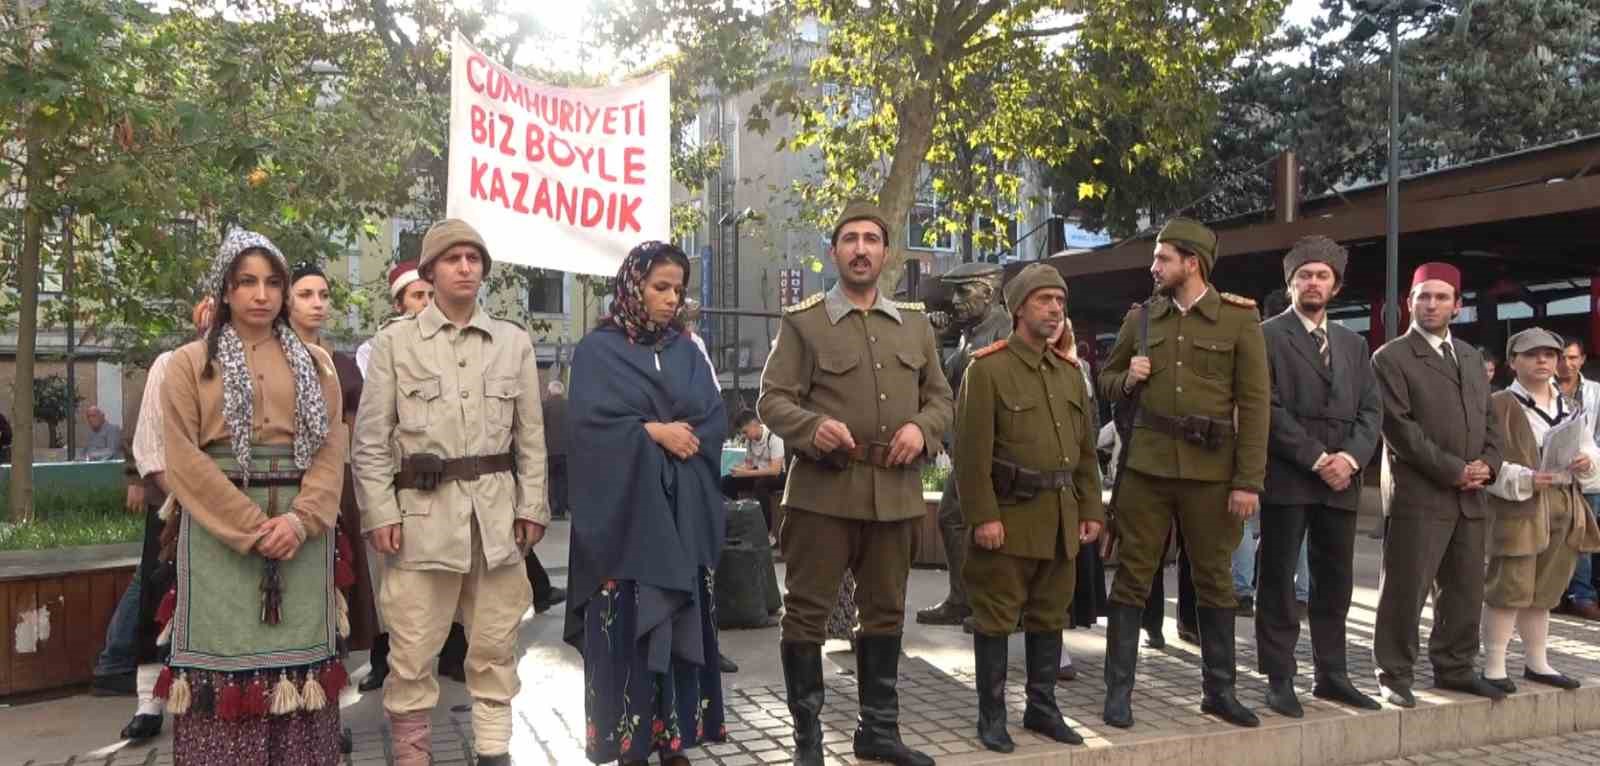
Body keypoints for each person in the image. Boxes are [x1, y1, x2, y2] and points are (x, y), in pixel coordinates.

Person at [759, 200, 954, 766]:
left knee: (887, 611)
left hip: (894, 494)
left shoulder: (914, 324)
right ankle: (808, 741)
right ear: (834, 251)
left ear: (886, 252)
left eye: (872, 238)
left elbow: (940, 396)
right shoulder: (804, 322)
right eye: (850, 239)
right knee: (806, 615)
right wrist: (812, 428)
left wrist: (922, 427)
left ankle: (879, 732)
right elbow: (772, 398)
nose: (861, 248)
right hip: (823, 494)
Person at [353, 219, 548, 766]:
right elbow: (369, 443)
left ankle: (493, 755)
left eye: (474, 258)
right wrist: (378, 513)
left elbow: (531, 437)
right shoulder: (395, 343)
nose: (466, 267)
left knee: (494, 649)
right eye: (453, 258)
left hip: (496, 521)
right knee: (412, 654)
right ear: (430, 271)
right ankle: (414, 757)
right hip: (420, 524)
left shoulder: (513, 343)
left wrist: (533, 505)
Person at [156, 230, 348, 763]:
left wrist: (300, 521)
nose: (261, 294)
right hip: (218, 530)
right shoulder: (188, 363)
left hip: (301, 533)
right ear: (224, 289)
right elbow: (183, 458)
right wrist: (251, 525)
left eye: (272, 282)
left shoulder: (317, 364)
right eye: (247, 282)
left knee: (303, 668)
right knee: (221, 665)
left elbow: (333, 446)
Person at [1097, 217, 1268, 730]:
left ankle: (1220, 691)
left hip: (1212, 475)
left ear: (1192, 263)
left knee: (1216, 581)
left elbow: (1256, 406)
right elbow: (1104, 381)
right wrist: (1128, 378)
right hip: (1147, 470)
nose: (1154, 267)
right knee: (1131, 579)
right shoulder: (1142, 320)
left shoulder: (1239, 319)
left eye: (1162, 258)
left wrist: (1247, 481)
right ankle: (1117, 694)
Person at [564, 241, 729, 766]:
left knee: (679, 622)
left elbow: (713, 419)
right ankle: (630, 744)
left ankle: (672, 742)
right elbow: (588, 431)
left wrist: (681, 439)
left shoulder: (687, 350)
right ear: (634, 286)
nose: (671, 299)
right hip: (625, 529)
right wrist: (651, 433)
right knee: (627, 633)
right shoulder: (597, 351)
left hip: (680, 523)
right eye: (661, 287)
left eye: (678, 289)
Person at [955, 264, 1103, 752]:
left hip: (1059, 518)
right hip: (1009, 517)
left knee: (1049, 616)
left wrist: (1091, 510)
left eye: (1060, 302)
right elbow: (970, 455)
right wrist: (983, 516)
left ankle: (1042, 708)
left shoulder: (1069, 374)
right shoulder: (988, 368)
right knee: (995, 618)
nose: (1055, 309)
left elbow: (1084, 453)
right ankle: (990, 716)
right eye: (1044, 301)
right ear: (1019, 309)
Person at [1253, 236, 1384, 717]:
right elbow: (1263, 407)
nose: (1313, 283)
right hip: (1289, 475)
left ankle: (1332, 674)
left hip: (1341, 481)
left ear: (1335, 286)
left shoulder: (1354, 344)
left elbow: (1371, 411)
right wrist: (1316, 458)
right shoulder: (1265, 336)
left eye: (1321, 276)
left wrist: (1348, 460)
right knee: (1278, 579)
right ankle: (1279, 676)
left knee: (1336, 581)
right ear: (1290, 284)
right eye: (1304, 275)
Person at [1371, 262, 1507, 707]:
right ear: (1408, 303)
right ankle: (1393, 673)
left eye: (1441, 297)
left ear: (1457, 305)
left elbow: (1490, 422)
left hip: (1471, 496)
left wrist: (1488, 464)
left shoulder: (1470, 357)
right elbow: (1401, 430)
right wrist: (1455, 469)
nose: (1431, 305)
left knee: (1464, 589)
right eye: (1423, 297)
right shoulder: (1390, 357)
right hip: (1420, 493)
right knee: (1405, 589)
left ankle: (1454, 668)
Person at [90, 298, 213, 741]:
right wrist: (173, 492)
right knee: (156, 595)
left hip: (227, 510)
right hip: (172, 504)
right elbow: (147, 439)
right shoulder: (169, 363)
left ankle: (206, 696)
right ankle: (148, 703)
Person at [349, 258, 468, 693]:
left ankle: (453, 652)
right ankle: (386, 661)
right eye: (417, 295)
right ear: (400, 302)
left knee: (452, 574)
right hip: (400, 485)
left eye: (428, 294)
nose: (425, 302)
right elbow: (381, 422)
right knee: (393, 584)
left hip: (447, 486)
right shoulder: (379, 347)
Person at [1481, 328, 1600, 693]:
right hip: (1519, 506)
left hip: (1564, 502)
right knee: (1510, 584)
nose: (1544, 361)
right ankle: (1495, 665)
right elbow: (1487, 461)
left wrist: (1587, 460)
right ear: (1513, 361)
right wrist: (1526, 478)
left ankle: (1537, 662)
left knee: (1547, 586)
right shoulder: (1499, 403)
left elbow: (1590, 449)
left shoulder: (1569, 404)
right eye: (1533, 355)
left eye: (1550, 354)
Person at [285, 263, 380, 656]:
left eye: (323, 295)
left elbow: (355, 433)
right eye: (306, 295)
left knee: (335, 582)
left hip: (337, 484)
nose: (317, 304)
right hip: (286, 482)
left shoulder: (342, 365)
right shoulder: (272, 358)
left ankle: (330, 666)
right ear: (286, 301)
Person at [918, 261, 1011, 627]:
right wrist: (937, 338)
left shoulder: (1005, 328)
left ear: (988, 292)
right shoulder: (970, 331)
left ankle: (988, 603)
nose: (954, 300)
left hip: (997, 447)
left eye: (963, 291)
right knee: (953, 518)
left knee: (968, 520)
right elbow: (947, 379)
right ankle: (965, 598)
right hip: (972, 445)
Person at [1557, 338, 1600, 620]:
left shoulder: (1595, 391)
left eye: (1573, 358)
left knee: (1584, 535)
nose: (1566, 364)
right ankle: (1557, 593)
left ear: (1582, 359)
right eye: (1562, 358)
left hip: (1589, 473)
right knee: (1555, 534)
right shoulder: (1544, 389)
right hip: (1555, 474)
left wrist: (1592, 456)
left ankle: (1582, 595)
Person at [354, 260, 433, 377]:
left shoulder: (447, 341)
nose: (427, 303)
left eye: (432, 295)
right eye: (418, 296)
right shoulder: (373, 350)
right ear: (398, 305)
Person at [721, 410, 786, 533]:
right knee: (727, 481)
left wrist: (747, 473)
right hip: (759, 473)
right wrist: (740, 469)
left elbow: (775, 470)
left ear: (754, 424)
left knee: (760, 485)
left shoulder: (774, 436)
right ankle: (735, 521)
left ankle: (767, 531)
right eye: (742, 433)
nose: (744, 436)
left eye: (745, 432)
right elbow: (750, 464)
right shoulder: (749, 442)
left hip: (779, 475)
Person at [543, 380, 571, 519]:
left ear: (549, 392)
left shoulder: (545, 406)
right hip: (567, 451)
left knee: (551, 479)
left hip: (550, 451)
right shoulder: (570, 406)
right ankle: (561, 510)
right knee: (563, 480)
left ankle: (552, 508)